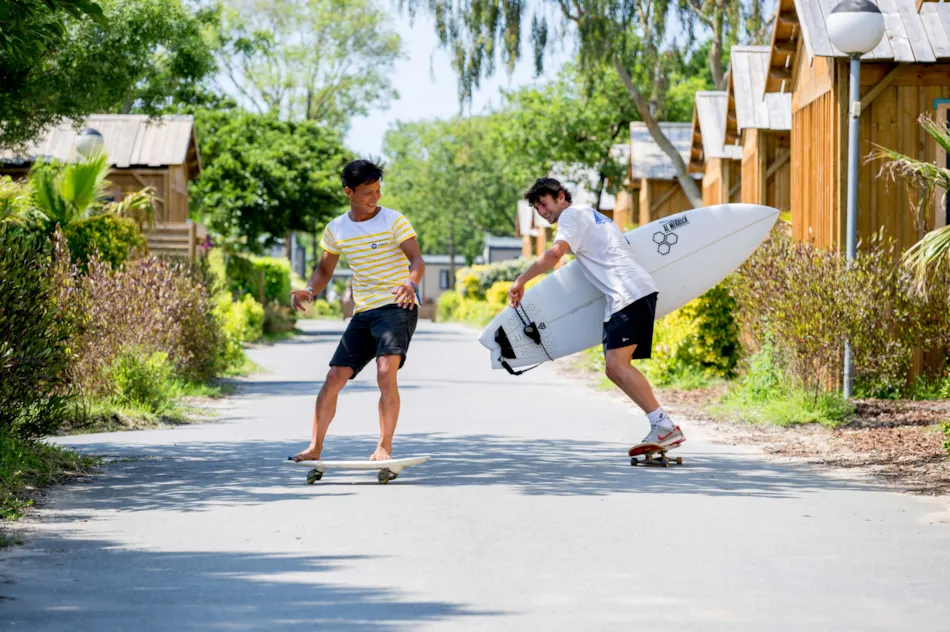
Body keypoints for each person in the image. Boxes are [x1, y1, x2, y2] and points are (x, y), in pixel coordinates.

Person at [508, 178, 685, 451]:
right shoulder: (591, 215)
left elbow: (555, 254)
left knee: (616, 367)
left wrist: (521, 279)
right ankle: (662, 424)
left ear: (560, 197)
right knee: (615, 368)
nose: (542, 212)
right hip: (632, 292)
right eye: (536, 208)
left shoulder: (570, 215)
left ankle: (664, 426)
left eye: (544, 204)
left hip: (628, 293)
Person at [290, 159, 424, 462]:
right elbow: (324, 270)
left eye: (378, 190)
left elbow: (417, 260)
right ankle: (315, 447)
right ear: (348, 192)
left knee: (385, 371)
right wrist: (310, 290)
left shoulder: (393, 220)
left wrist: (410, 282)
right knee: (334, 376)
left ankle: (384, 446)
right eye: (368, 192)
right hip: (364, 310)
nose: (375, 197)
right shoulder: (336, 229)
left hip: (397, 305)